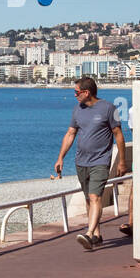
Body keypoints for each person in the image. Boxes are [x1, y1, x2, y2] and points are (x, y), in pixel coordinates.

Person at [55, 77, 127, 251]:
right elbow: (70, 133)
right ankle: (96, 235)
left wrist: (122, 161)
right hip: (81, 161)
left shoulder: (110, 108)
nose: (75, 95)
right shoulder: (77, 109)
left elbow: (118, 134)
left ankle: (88, 233)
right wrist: (60, 158)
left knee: (95, 197)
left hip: (101, 161)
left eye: (77, 92)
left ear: (86, 92)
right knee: (89, 198)